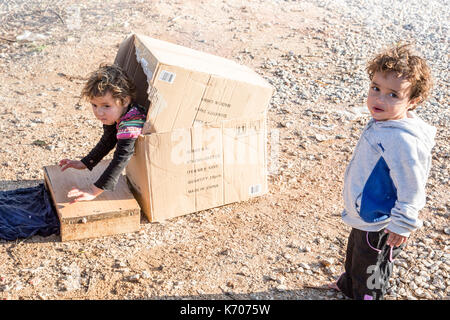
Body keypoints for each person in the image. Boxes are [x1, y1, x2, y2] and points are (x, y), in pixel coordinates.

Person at [329, 43, 436, 300]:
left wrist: (403, 224)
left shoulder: (402, 141)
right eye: (375, 88)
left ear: (412, 102)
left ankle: (368, 295)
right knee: (356, 253)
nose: (379, 99)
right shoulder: (386, 120)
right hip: (366, 213)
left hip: (382, 222)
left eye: (393, 95)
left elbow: (412, 187)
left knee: (372, 265)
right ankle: (348, 285)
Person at [59, 64, 146, 203]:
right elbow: (108, 140)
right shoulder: (116, 113)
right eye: (94, 105)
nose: (99, 112)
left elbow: (121, 158)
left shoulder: (131, 124)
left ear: (125, 101)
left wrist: (94, 190)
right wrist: (86, 162)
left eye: (106, 106)